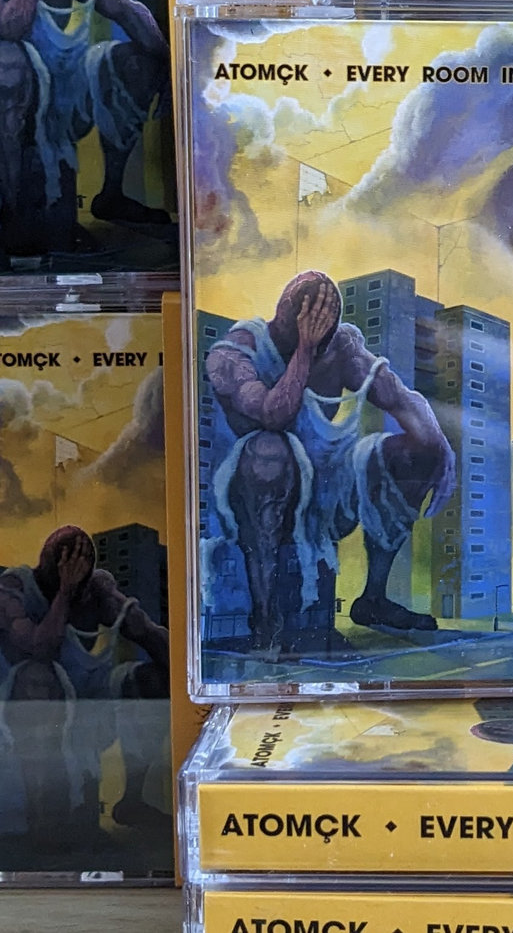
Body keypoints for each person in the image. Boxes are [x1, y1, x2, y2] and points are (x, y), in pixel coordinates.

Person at [204, 270, 456, 651]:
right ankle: (266, 617)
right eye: (311, 328)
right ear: (284, 317)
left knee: (421, 451)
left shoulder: (340, 347)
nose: (319, 339)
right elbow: (274, 415)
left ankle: (373, 598)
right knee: (269, 451)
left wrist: (439, 447)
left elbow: (398, 396)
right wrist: (304, 351)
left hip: (325, 487)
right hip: (250, 497)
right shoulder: (235, 353)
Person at [0, 0, 171, 257]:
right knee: (9, 66)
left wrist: (170, 68)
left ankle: (111, 195)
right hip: (12, 99)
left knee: (140, 62)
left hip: (63, 86)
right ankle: (11, 216)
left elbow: (125, 8)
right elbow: (12, 26)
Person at [0, 525, 170, 848]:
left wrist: (189, 673)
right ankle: (42, 818)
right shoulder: (13, 590)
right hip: (25, 709)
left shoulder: (95, 591)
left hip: (89, 700)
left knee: (152, 679)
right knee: (39, 678)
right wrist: (64, 593)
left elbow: (149, 634)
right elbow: (41, 648)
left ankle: (131, 801)